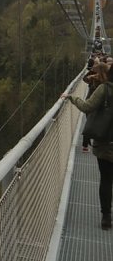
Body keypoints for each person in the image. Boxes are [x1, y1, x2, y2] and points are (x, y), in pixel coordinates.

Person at [63, 62, 113, 230]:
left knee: (106, 179)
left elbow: (87, 107)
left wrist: (72, 97)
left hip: (106, 143)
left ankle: (106, 217)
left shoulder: (104, 89)